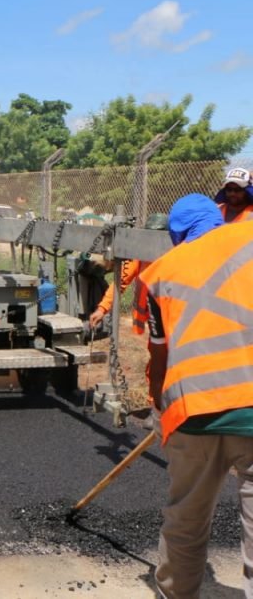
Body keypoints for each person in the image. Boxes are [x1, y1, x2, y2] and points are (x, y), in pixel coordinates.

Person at [138, 193, 253, 598]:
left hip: (192, 414)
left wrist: (159, 409)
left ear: (179, 235)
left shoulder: (160, 272)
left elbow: (159, 356)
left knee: (186, 521)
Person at [87, 213, 168, 334]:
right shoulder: (140, 256)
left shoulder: (174, 256)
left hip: (170, 313)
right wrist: (102, 309)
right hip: (154, 315)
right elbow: (120, 281)